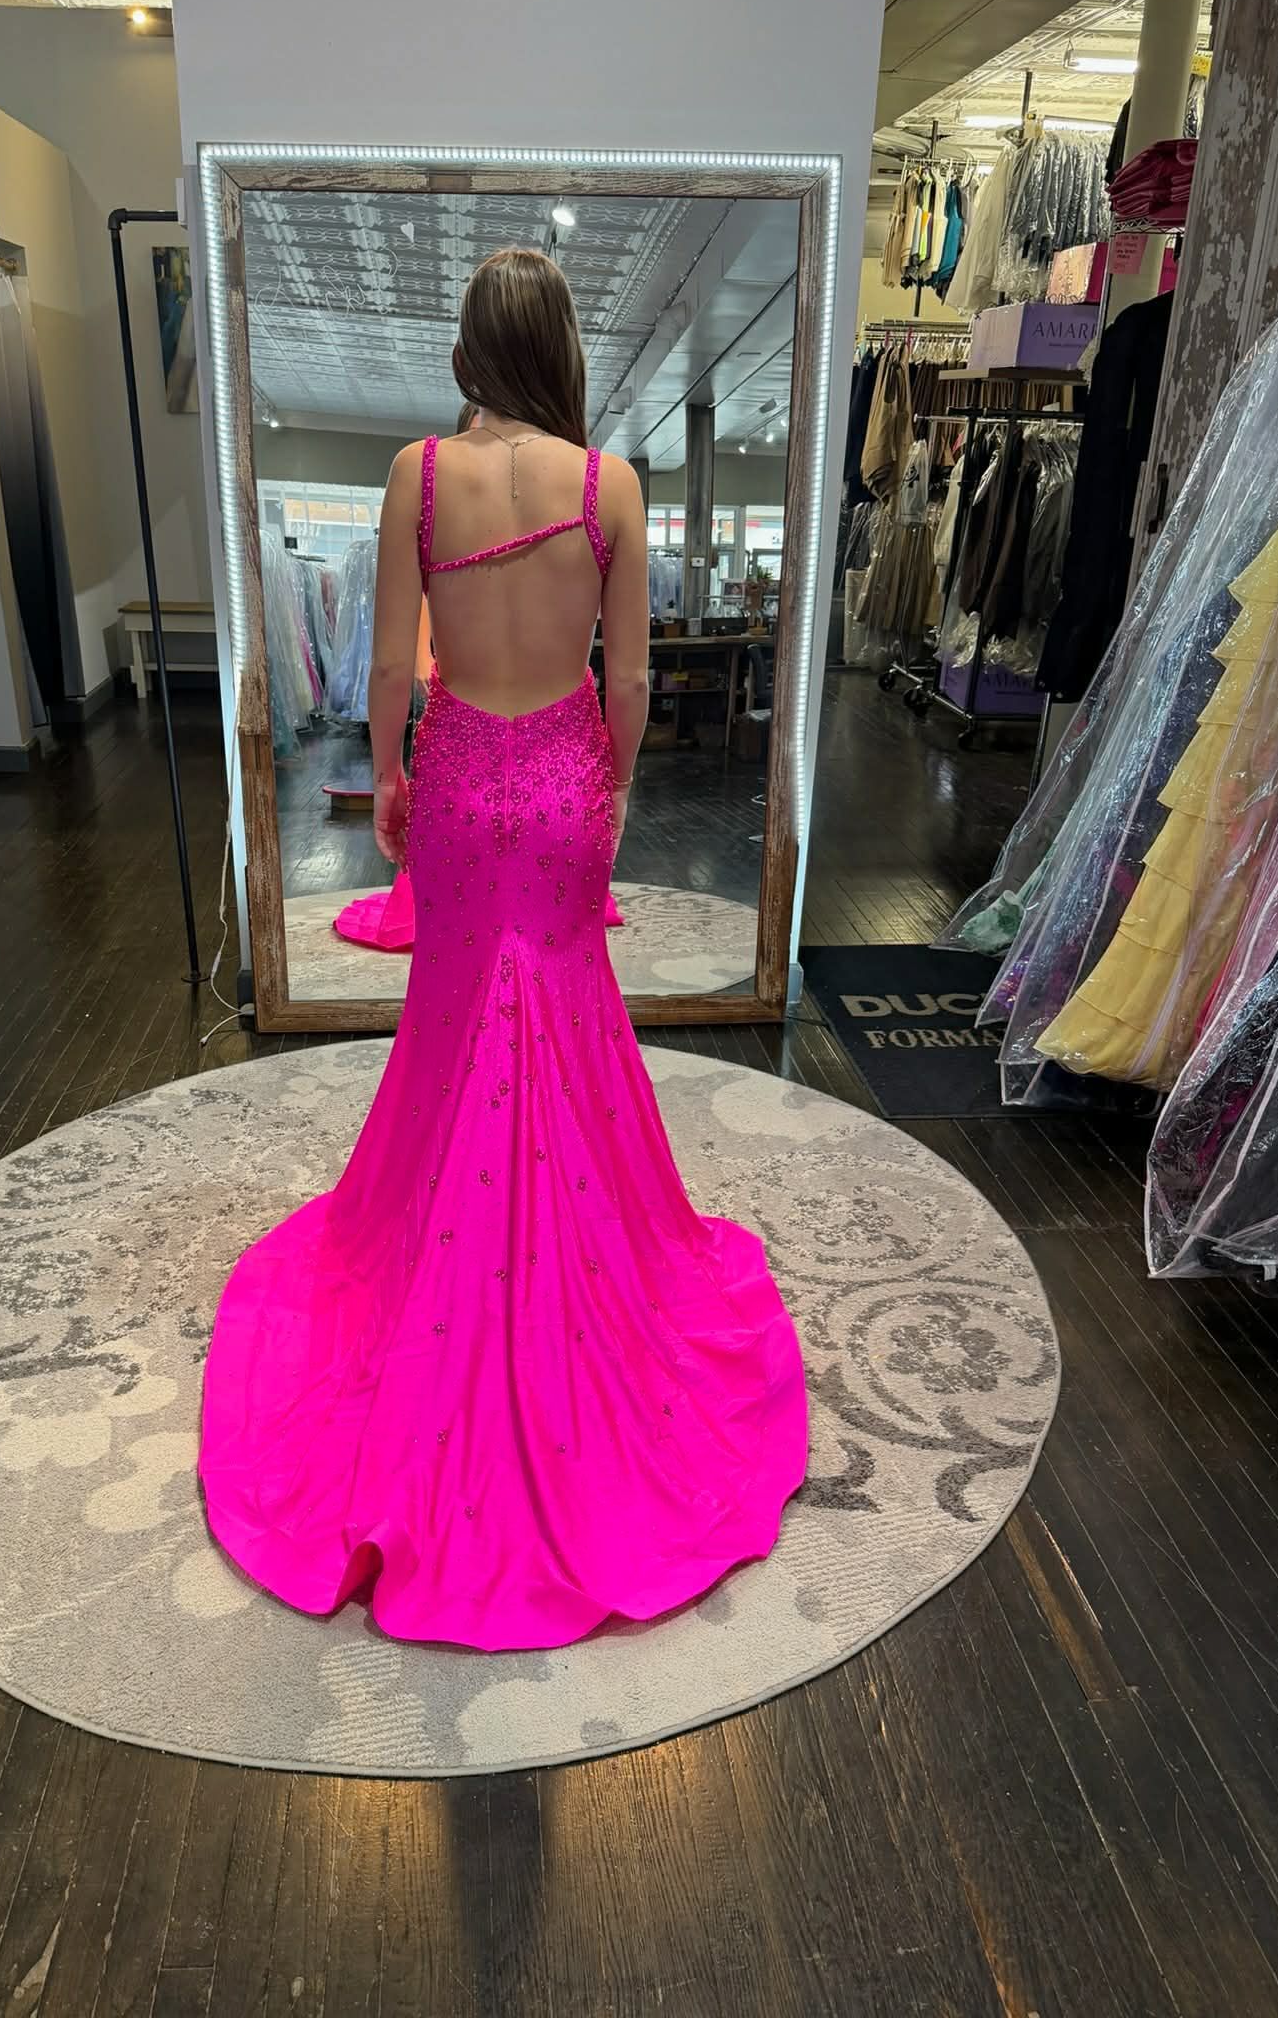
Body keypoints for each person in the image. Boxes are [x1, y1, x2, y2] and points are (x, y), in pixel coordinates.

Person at [201, 248, 807, 1650]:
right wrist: (615, 789)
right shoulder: (615, 486)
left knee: (459, 1020)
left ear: (472, 347)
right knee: (572, 1019)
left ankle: (441, 1268)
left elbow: (389, 670)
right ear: (563, 352)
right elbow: (633, 680)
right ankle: (583, 1286)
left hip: (467, 780)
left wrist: (397, 785)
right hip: (567, 786)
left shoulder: (421, 472)